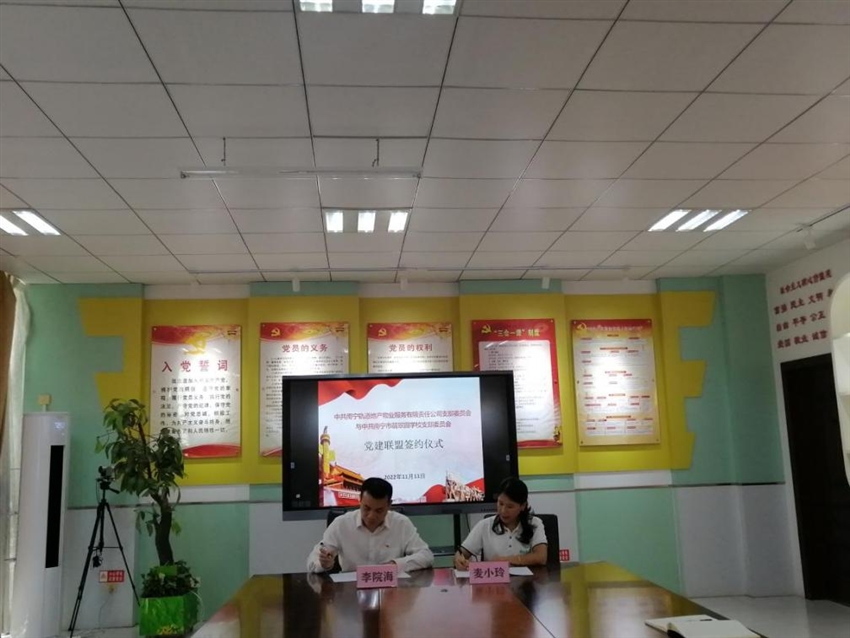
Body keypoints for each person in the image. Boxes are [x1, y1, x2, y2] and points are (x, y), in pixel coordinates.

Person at [307, 477, 434, 573]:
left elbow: (426, 555)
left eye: (379, 510)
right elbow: (312, 561)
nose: (371, 516)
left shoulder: (401, 523)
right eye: (366, 508)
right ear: (360, 500)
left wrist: (395, 565)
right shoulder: (341, 524)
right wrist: (324, 564)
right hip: (351, 592)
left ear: (389, 505)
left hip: (390, 593)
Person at [454, 477, 547, 569]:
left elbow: (541, 557)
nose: (503, 511)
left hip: (528, 578)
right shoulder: (484, 525)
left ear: (522, 506)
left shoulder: (535, 523)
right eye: (500, 503)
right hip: (494, 578)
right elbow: (462, 553)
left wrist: (506, 560)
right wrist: (458, 559)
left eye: (510, 507)